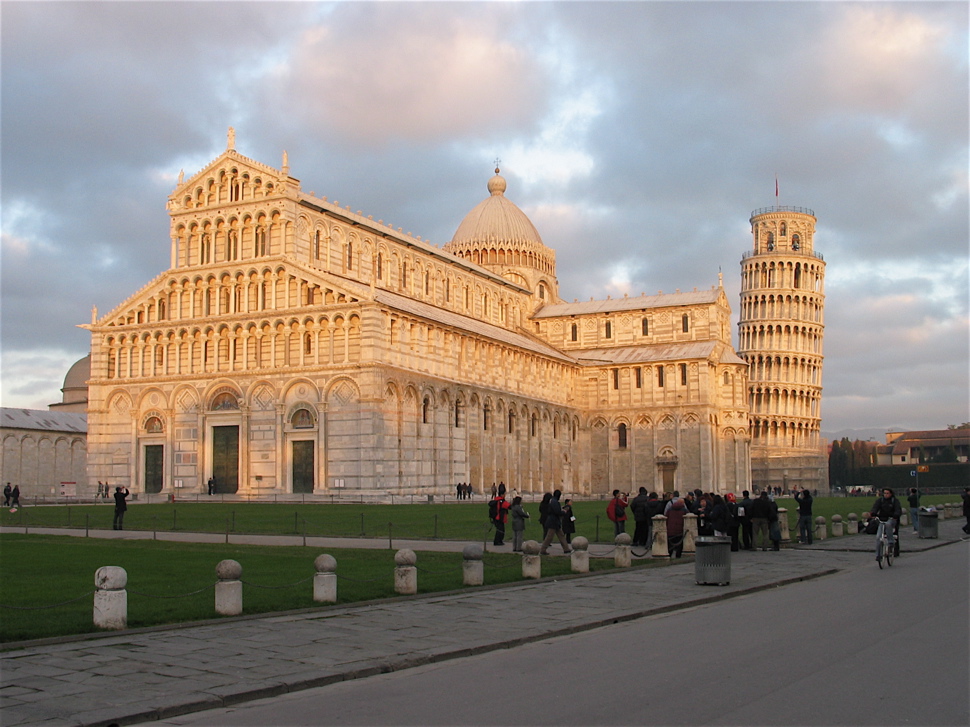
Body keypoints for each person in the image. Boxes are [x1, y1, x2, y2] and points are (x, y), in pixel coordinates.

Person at [869, 488, 902, 562]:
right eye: (885, 493)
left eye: (887, 493)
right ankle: (878, 555)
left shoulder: (895, 501)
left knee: (888, 524)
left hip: (891, 519)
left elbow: (898, 509)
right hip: (882, 519)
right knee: (878, 537)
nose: (886, 495)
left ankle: (891, 542)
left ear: (891, 494)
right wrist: (873, 513)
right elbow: (875, 508)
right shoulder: (880, 501)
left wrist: (896, 515)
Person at [539, 489, 572, 555]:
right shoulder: (554, 502)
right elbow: (557, 512)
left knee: (561, 535)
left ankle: (566, 549)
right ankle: (543, 549)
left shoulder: (554, 501)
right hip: (553, 522)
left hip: (555, 521)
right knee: (549, 537)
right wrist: (564, 512)